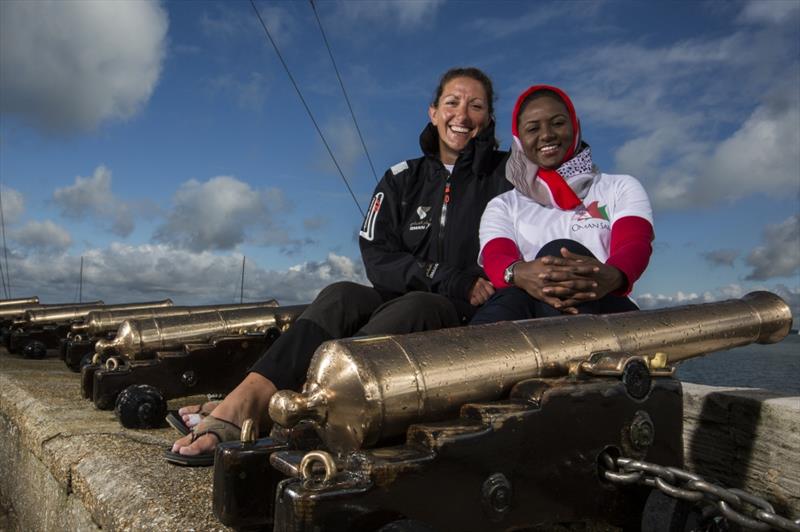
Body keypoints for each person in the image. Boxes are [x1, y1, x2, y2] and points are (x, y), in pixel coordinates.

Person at [166, 67, 510, 465]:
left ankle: (308, 406)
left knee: (419, 304)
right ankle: (249, 399)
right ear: (433, 112)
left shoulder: (506, 174)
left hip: (460, 312)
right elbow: (377, 255)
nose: (462, 115)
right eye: (452, 102)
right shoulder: (401, 179)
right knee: (340, 295)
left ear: (489, 119)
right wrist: (441, 275)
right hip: (400, 297)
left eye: (476, 106)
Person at [470, 85, 654, 325]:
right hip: (527, 309)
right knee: (510, 302)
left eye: (557, 123)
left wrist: (613, 275)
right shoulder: (503, 205)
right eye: (533, 128)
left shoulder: (620, 187)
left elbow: (634, 243)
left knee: (561, 250)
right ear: (519, 140)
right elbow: (497, 257)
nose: (547, 135)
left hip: (605, 307)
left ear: (575, 126)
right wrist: (519, 272)